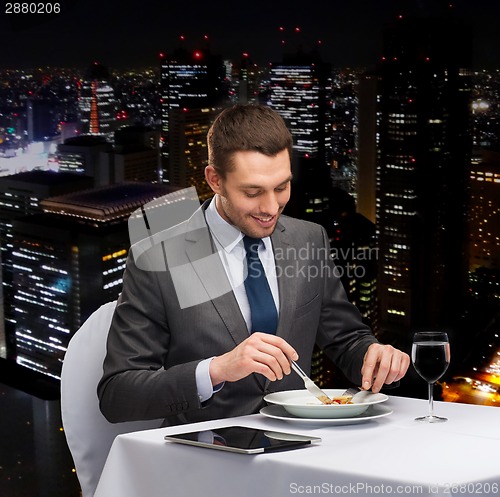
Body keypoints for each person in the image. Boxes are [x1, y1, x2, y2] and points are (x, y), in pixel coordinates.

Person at [98, 104, 410, 425]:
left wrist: (376, 357)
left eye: (281, 187)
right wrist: (218, 369)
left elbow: (346, 339)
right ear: (215, 180)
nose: (271, 207)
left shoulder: (308, 239)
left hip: (301, 450)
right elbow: (117, 395)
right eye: (252, 192)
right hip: (205, 458)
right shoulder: (159, 257)